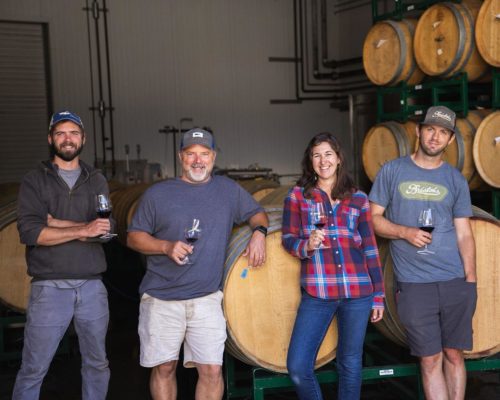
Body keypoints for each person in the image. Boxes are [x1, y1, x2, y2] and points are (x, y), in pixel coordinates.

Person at [127, 128, 268, 400]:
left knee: (212, 371)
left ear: (213, 157)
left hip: (206, 299)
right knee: (165, 368)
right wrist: (165, 247)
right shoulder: (158, 194)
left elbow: (258, 214)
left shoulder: (227, 190)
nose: (198, 160)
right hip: (162, 298)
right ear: (181, 157)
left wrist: (259, 234)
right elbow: (134, 237)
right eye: (191, 154)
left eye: (204, 154)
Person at [369, 105, 477, 400]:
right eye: (430, 129)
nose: (435, 137)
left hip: (454, 280)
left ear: (450, 140)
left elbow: (464, 233)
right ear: (418, 131)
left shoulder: (455, 179)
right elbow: (373, 218)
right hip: (414, 284)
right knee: (429, 359)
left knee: (454, 354)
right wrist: (404, 232)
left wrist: (470, 280)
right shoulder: (392, 171)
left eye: (443, 132)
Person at [13, 111, 113, 400]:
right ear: (50, 139)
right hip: (49, 287)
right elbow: (31, 233)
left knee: (97, 364)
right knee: (34, 368)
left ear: (83, 138)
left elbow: (106, 229)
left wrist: (56, 223)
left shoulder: (96, 179)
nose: (67, 139)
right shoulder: (35, 180)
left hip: (92, 286)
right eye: (60, 133)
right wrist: (84, 229)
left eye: (73, 133)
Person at [282, 132, 385, 400]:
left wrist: (378, 295)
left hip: (358, 291)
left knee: (350, 364)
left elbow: (370, 248)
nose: (323, 160)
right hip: (318, 291)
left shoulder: (358, 198)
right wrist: (307, 245)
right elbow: (288, 239)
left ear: (338, 159)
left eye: (328, 154)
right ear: (310, 161)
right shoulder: (298, 196)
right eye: (316, 155)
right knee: (298, 366)